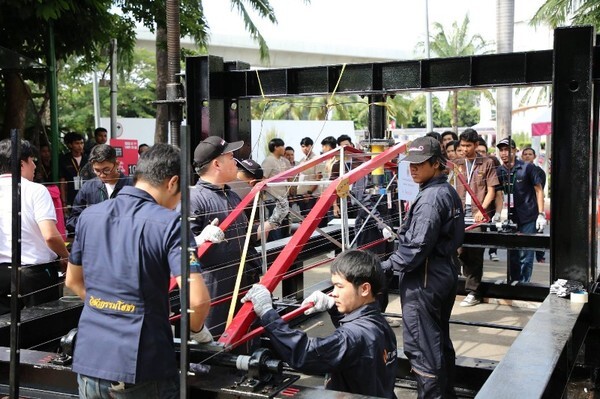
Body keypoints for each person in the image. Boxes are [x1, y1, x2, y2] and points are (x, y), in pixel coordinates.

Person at [65, 144, 211, 398]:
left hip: (90, 357)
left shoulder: (89, 216)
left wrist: (107, 308)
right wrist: (197, 332)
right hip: (142, 365)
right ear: (173, 182)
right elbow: (197, 301)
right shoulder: (171, 224)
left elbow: (73, 280)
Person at [241, 250, 398, 398]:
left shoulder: (354, 336)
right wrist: (334, 308)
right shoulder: (379, 323)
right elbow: (352, 348)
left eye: (340, 286)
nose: (334, 292)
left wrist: (268, 314)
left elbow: (305, 353)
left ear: (364, 289)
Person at [381, 136, 464, 399]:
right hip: (443, 274)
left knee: (423, 349)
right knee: (438, 341)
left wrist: (384, 265)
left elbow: (415, 248)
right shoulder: (446, 191)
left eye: (420, 163)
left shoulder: (430, 198)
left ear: (437, 163)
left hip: (425, 280)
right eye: (411, 163)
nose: (412, 168)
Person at [190, 136, 262, 337]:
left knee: (245, 337)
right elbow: (178, 247)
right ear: (216, 164)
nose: (236, 162)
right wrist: (197, 240)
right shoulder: (195, 199)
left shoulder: (232, 195)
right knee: (215, 344)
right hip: (213, 288)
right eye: (231, 157)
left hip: (241, 281)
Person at [0, 139, 69, 315]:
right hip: (34, 273)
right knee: (40, 329)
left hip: (2, 273)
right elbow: (50, 236)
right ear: (22, 163)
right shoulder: (36, 190)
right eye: (32, 161)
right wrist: (66, 256)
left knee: (4, 331)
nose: (35, 166)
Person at [454, 129, 500, 307]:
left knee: (475, 252)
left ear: (475, 145)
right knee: (459, 251)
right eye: (462, 145)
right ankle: (467, 284)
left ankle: (474, 291)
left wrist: (483, 209)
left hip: (477, 214)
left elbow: (491, 190)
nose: (464, 149)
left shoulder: (486, 163)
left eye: (468, 146)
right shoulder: (456, 163)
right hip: (459, 214)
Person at [496, 139, 546, 282]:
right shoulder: (500, 171)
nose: (504, 153)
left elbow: (539, 190)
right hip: (510, 217)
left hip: (528, 215)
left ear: (515, 150)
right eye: (502, 150)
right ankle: (514, 281)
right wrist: (498, 213)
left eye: (507, 149)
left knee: (526, 252)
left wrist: (541, 214)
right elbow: (499, 194)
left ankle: (524, 283)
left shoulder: (527, 168)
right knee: (512, 252)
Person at [66, 144, 133, 234]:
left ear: (117, 164)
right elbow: (72, 221)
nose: (102, 175)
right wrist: (94, 220)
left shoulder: (132, 185)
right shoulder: (88, 187)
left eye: (106, 170)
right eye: (97, 170)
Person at [261, 138, 291, 241]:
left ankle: (283, 242)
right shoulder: (268, 161)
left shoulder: (283, 161)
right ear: (275, 147)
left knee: (283, 222)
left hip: (283, 197)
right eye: (282, 146)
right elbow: (263, 179)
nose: (284, 149)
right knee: (275, 221)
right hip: (273, 197)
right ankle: (275, 244)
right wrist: (263, 194)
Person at [521, 147, 547, 262]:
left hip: (535, 207)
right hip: (521, 209)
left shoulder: (539, 172)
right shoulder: (519, 170)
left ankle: (540, 256)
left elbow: (540, 190)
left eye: (530, 154)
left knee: (537, 234)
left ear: (534, 156)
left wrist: (541, 212)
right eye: (525, 154)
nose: (527, 156)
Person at [59, 132, 88, 209]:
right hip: (71, 196)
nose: (80, 146)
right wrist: (64, 202)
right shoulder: (64, 160)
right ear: (70, 145)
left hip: (86, 196)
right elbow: (62, 182)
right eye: (77, 143)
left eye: (82, 143)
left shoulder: (88, 159)